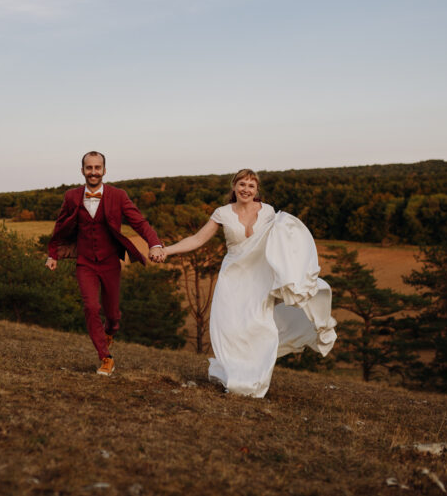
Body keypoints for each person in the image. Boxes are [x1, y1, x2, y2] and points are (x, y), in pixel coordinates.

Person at [162, 169, 336, 397]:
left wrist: (295, 270)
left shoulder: (269, 212)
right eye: (242, 184)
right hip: (232, 278)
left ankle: (255, 380)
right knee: (231, 327)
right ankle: (234, 377)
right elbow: (198, 239)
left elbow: (285, 241)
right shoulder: (222, 213)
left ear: (256, 190)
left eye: (251, 186)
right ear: (234, 187)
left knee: (260, 327)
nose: (246, 189)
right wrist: (167, 250)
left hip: (259, 279)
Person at [46, 151, 164, 376]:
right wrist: (53, 255)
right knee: (91, 307)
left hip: (110, 262)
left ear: (104, 170)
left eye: (97, 168)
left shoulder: (118, 196)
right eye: (89, 168)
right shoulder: (71, 197)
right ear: (82, 171)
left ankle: (111, 330)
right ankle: (105, 357)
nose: (93, 172)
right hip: (85, 263)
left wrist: (154, 244)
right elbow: (60, 227)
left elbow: (139, 222)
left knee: (112, 314)